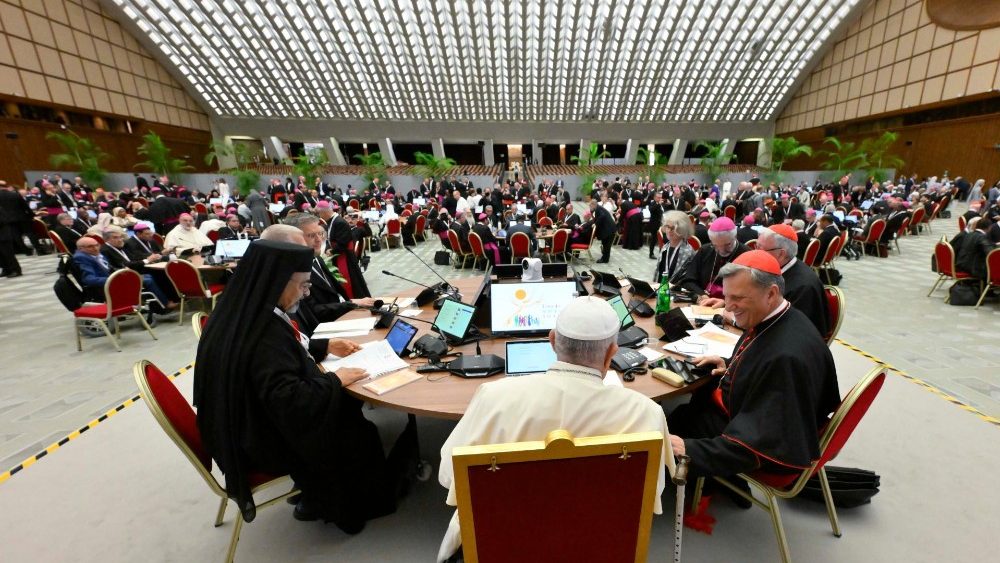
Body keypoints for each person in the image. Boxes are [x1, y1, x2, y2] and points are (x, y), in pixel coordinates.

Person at [194, 238, 417, 535]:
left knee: (350, 405)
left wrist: (323, 346)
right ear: (276, 282)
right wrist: (336, 379)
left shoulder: (241, 309)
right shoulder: (263, 335)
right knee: (356, 427)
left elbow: (278, 356)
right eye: (302, 286)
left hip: (243, 422)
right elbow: (290, 401)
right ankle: (360, 504)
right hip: (264, 439)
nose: (306, 293)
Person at [436, 296, 674, 562]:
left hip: (503, 547)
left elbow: (449, 476)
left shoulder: (492, 397)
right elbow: (648, 496)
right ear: (611, 354)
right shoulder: (646, 412)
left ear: (551, 341)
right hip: (599, 548)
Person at [668, 250, 840, 478]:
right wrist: (730, 364)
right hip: (743, 411)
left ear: (771, 293)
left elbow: (758, 443)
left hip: (755, 445)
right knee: (685, 408)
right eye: (727, 297)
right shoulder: (782, 316)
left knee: (671, 423)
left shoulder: (785, 358)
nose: (728, 308)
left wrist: (690, 450)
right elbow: (760, 356)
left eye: (737, 298)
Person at [754, 225, 829, 337]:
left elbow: (785, 330)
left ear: (781, 254)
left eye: (760, 248)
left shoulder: (803, 288)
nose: (755, 253)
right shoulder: (776, 267)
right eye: (756, 246)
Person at [676, 217, 748, 305]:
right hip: (703, 305)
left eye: (727, 245)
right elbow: (688, 280)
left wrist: (726, 303)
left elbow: (751, 294)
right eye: (716, 245)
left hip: (732, 310)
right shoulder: (705, 250)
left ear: (735, 236)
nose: (722, 250)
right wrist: (702, 295)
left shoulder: (747, 254)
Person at [653, 210, 696, 283]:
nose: (669, 231)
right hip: (661, 289)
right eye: (667, 227)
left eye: (673, 228)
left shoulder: (688, 253)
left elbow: (685, 281)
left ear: (682, 230)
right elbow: (658, 274)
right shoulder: (665, 247)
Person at [0, 182, 30, 277]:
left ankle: (16, 270)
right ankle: (6, 269)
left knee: (7, 253)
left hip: (3, 233)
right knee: (1, 255)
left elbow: (2, 220)